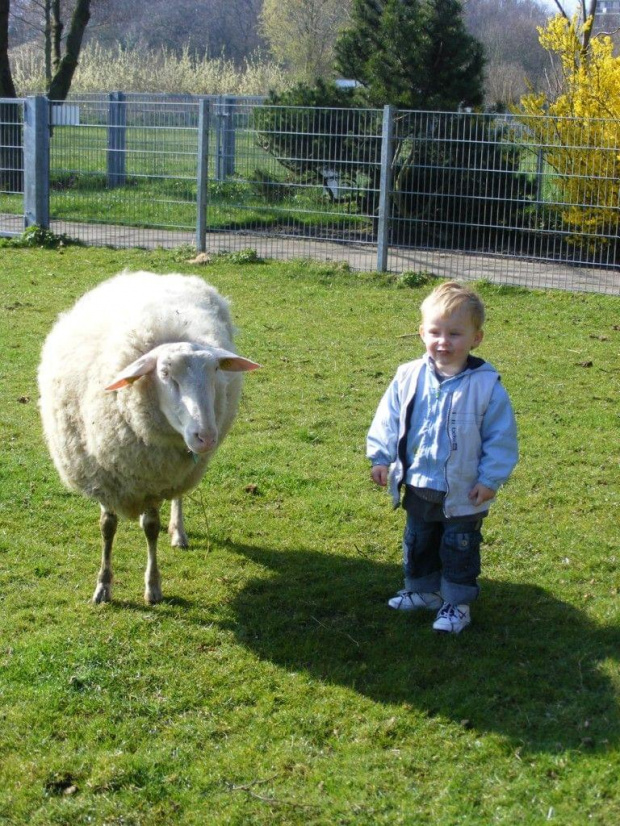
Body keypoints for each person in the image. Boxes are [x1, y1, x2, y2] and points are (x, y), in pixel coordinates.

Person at [366, 281, 518, 634]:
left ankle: (456, 603)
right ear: (421, 332)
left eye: (455, 334)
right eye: (435, 332)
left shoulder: (486, 386)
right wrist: (380, 456)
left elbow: (501, 438)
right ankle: (423, 591)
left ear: (476, 338)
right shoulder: (409, 376)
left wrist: (489, 479)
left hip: (465, 489)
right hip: (419, 481)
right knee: (418, 538)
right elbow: (388, 417)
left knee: (458, 546)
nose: (443, 342)